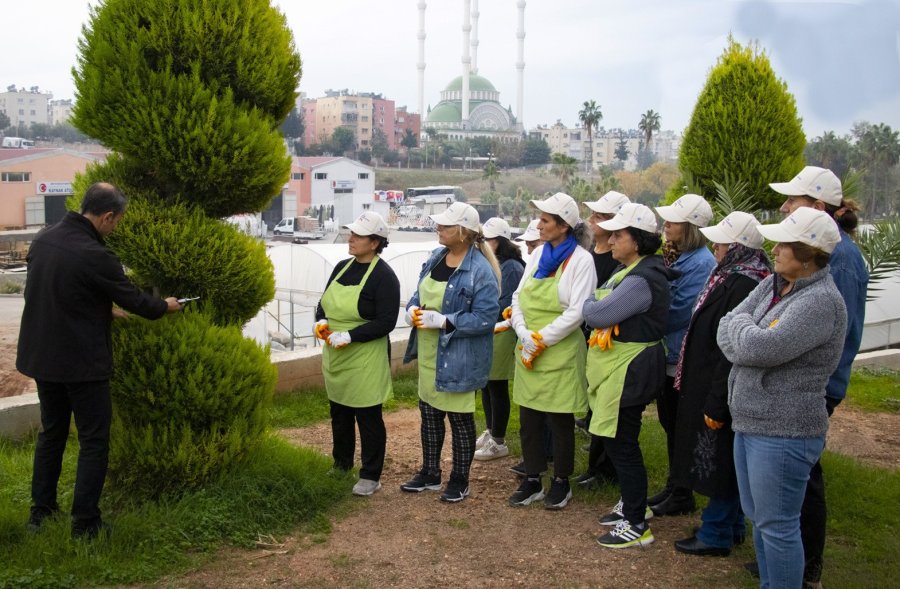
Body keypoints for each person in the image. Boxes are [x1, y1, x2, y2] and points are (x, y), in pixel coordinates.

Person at [17, 182, 183, 539]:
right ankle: (86, 524)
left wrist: (102, 309)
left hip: (43, 357)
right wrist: (164, 306)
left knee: (52, 433)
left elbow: (56, 290)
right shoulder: (95, 254)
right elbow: (138, 302)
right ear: (108, 216)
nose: (115, 228)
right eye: (117, 222)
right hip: (80, 363)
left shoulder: (44, 239)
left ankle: (40, 513)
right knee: (94, 440)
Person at [718, 207, 847, 588]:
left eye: (784, 244)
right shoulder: (775, 284)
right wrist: (745, 333)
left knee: (778, 527)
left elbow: (761, 348)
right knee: (761, 519)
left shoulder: (820, 301)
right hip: (752, 421)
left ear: (808, 254)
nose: (773, 249)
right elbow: (728, 322)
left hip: (784, 431)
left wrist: (744, 333)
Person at [770, 165, 868, 588]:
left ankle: (808, 568)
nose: (785, 206)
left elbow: (831, 334)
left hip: (815, 385)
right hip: (797, 380)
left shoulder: (840, 261)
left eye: (795, 201)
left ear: (820, 208)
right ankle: (786, 557)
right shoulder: (825, 256)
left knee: (804, 473)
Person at [670, 212, 772, 557]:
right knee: (721, 456)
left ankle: (716, 531)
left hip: (721, 385)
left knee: (721, 460)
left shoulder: (744, 282)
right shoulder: (731, 275)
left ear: (739, 247)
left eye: (723, 242)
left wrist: (716, 399)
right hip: (710, 380)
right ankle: (730, 525)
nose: (716, 246)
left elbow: (729, 347)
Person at [582, 203, 673, 549]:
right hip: (625, 367)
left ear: (637, 241)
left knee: (623, 445)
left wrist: (592, 305)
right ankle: (632, 504)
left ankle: (636, 523)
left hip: (629, 370)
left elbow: (597, 313)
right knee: (623, 440)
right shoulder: (635, 270)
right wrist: (595, 304)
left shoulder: (640, 278)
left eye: (618, 235)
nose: (611, 240)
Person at [400, 202, 500, 503]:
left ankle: (460, 478)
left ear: (463, 232)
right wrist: (412, 310)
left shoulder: (479, 270)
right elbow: (419, 294)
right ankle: (430, 473)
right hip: (431, 352)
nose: (438, 229)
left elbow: (486, 318)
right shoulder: (436, 257)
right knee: (429, 413)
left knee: (459, 419)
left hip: (459, 356)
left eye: (445, 225)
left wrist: (446, 320)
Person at [507, 192, 596, 510]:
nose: (539, 224)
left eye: (545, 220)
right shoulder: (537, 255)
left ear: (563, 226)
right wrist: (522, 332)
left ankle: (561, 481)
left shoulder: (582, 261)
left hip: (558, 351)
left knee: (559, 421)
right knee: (528, 418)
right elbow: (518, 297)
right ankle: (532, 479)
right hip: (528, 347)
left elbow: (578, 312)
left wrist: (541, 338)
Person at [314, 212, 400, 497]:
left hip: (365, 356)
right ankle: (341, 464)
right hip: (336, 354)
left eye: (358, 236)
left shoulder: (384, 277)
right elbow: (323, 303)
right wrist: (321, 322)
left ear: (374, 243)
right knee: (339, 411)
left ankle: (370, 474)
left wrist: (351, 335)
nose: (350, 239)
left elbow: (387, 321)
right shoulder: (341, 267)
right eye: (351, 234)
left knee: (367, 415)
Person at [650, 193, 716, 516]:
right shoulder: (681, 258)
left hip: (681, 358)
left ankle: (681, 492)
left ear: (690, 228)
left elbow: (679, 311)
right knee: (670, 423)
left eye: (674, 221)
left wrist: (646, 318)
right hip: (671, 354)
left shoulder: (701, 263)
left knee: (678, 424)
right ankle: (675, 486)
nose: (666, 225)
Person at [574, 190, 631, 489]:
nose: (592, 220)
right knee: (593, 404)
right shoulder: (586, 254)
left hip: (605, 340)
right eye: (593, 215)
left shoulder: (617, 261)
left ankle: (603, 468)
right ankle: (595, 464)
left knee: (605, 408)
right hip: (585, 335)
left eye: (600, 216)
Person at [474, 217, 526, 461]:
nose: (483, 244)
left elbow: (506, 304)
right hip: (489, 328)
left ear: (501, 242)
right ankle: (491, 430)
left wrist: (482, 315)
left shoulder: (512, 267)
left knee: (496, 384)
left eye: (489, 240)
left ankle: (499, 439)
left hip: (502, 331)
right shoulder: (494, 264)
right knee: (487, 382)